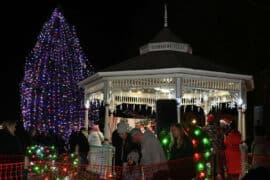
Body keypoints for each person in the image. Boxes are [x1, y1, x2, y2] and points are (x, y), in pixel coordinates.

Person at [204, 114, 226, 180]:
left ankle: (210, 177)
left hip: (208, 150)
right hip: (217, 150)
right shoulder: (218, 129)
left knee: (210, 166)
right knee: (218, 167)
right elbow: (222, 138)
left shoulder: (204, 129)